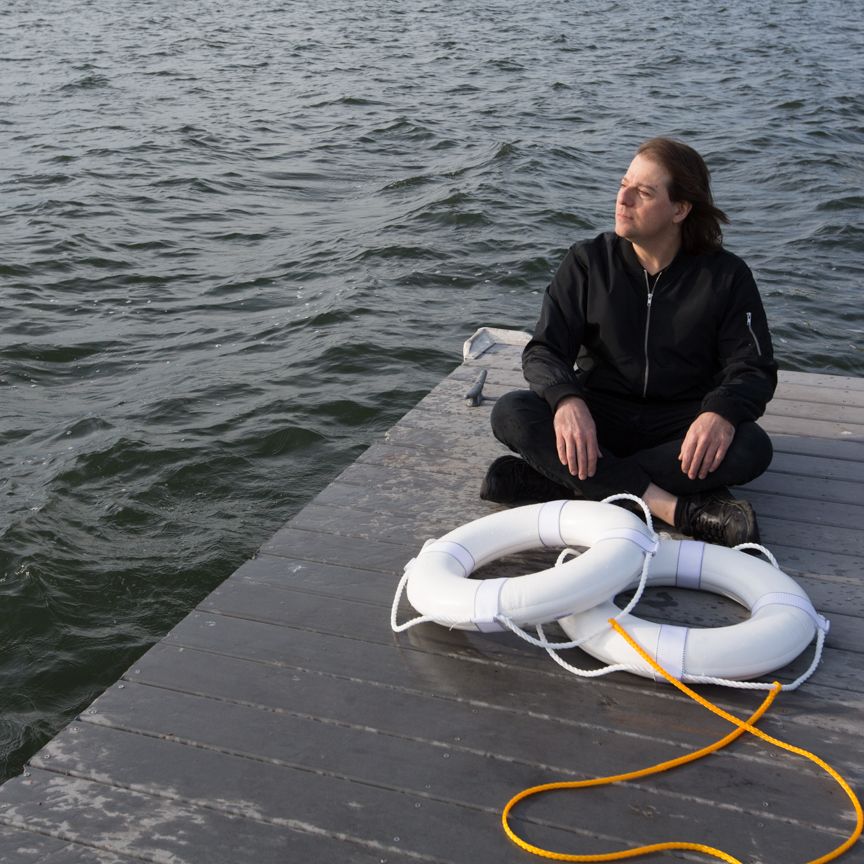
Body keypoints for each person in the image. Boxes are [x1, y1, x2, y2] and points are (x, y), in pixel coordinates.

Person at [482, 137, 777, 547]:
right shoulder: (588, 262)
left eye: (644, 192)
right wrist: (567, 399)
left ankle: (560, 483)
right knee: (512, 412)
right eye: (624, 184)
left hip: (680, 426)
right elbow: (545, 350)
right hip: (599, 417)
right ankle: (676, 509)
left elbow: (753, 368)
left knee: (751, 446)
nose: (622, 199)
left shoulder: (726, 277)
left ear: (680, 209)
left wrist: (720, 413)